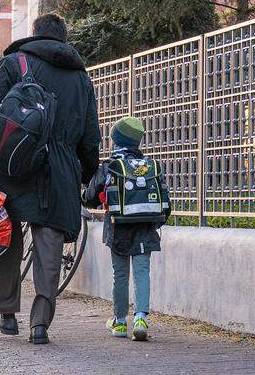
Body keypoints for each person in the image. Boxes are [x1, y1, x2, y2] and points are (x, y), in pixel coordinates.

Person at [0, 13, 101, 344]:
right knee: (50, 243)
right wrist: (84, 174)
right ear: (65, 38)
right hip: (61, 169)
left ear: (35, 35)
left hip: (14, 163)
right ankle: (40, 324)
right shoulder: (81, 79)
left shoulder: (15, 64)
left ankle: (6, 313)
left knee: (7, 235)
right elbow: (90, 135)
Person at [83, 116, 169, 341]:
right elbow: (165, 201)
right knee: (142, 272)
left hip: (118, 228)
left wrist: (84, 195)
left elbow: (91, 198)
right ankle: (141, 318)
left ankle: (119, 321)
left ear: (117, 141)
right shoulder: (150, 166)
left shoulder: (111, 166)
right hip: (145, 228)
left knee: (120, 274)